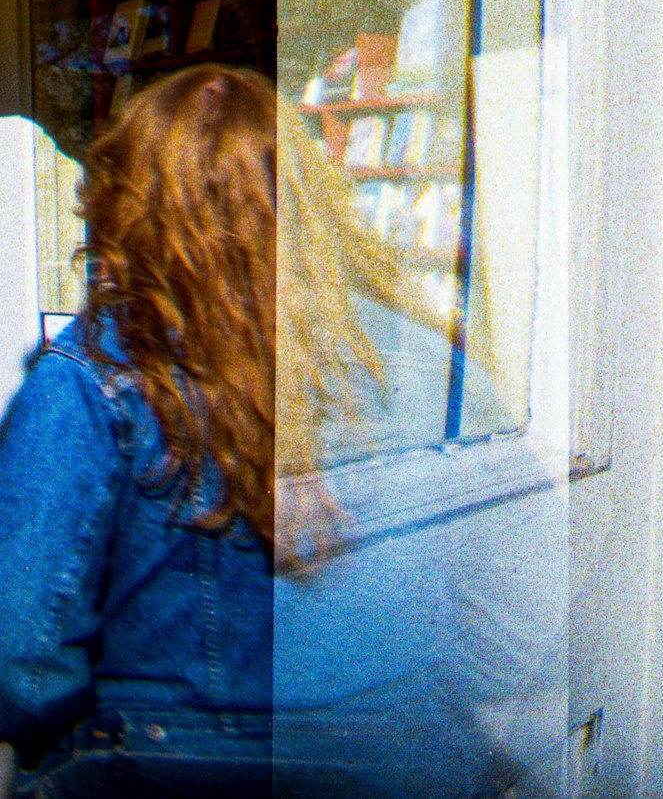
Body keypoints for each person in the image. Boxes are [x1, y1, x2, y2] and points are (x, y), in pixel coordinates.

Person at [0, 63, 566, 797]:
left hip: (165, 765)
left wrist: (86, 746)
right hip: (401, 757)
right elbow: (524, 598)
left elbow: (21, 654)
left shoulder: (92, 372)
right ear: (307, 197)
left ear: (126, 201)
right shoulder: (423, 354)